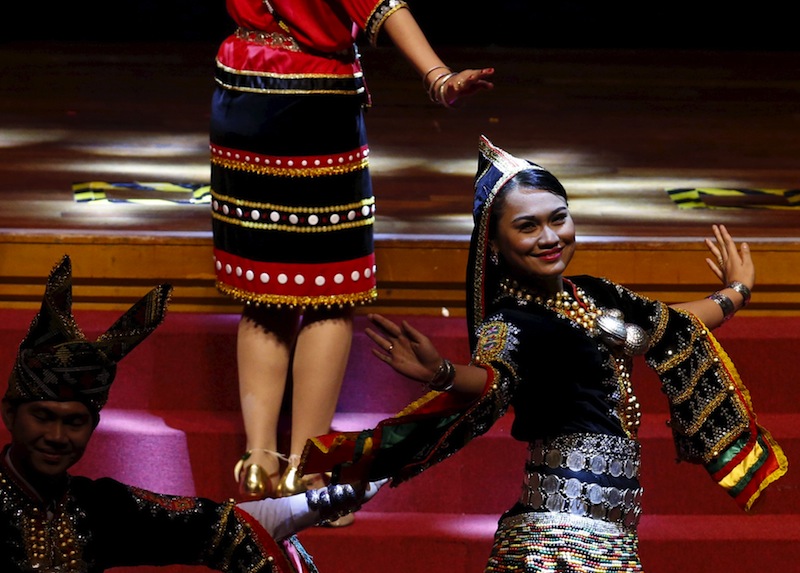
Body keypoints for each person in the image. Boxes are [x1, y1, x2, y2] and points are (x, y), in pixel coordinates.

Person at [298, 136, 789, 571]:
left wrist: (738, 292)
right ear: (492, 244)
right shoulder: (512, 321)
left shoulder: (593, 293)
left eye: (559, 218)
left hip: (614, 538)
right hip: (553, 544)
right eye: (528, 227)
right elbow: (492, 380)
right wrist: (445, 373)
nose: (550, 238)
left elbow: (671, 323)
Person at [209, 0, 496, 519]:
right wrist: (439, 77)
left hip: (242, 88)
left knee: (264, 288)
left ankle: (257, 458)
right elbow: (378, 5)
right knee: (329, 293)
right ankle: (306, 466)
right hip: (311, 101)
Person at [0, 255, 385, 573]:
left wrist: (330, 498)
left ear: (92, 426)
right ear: (9, 415)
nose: (55, 435)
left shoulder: (98, 507)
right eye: (42, 416)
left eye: (74, 422)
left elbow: (210, 525)